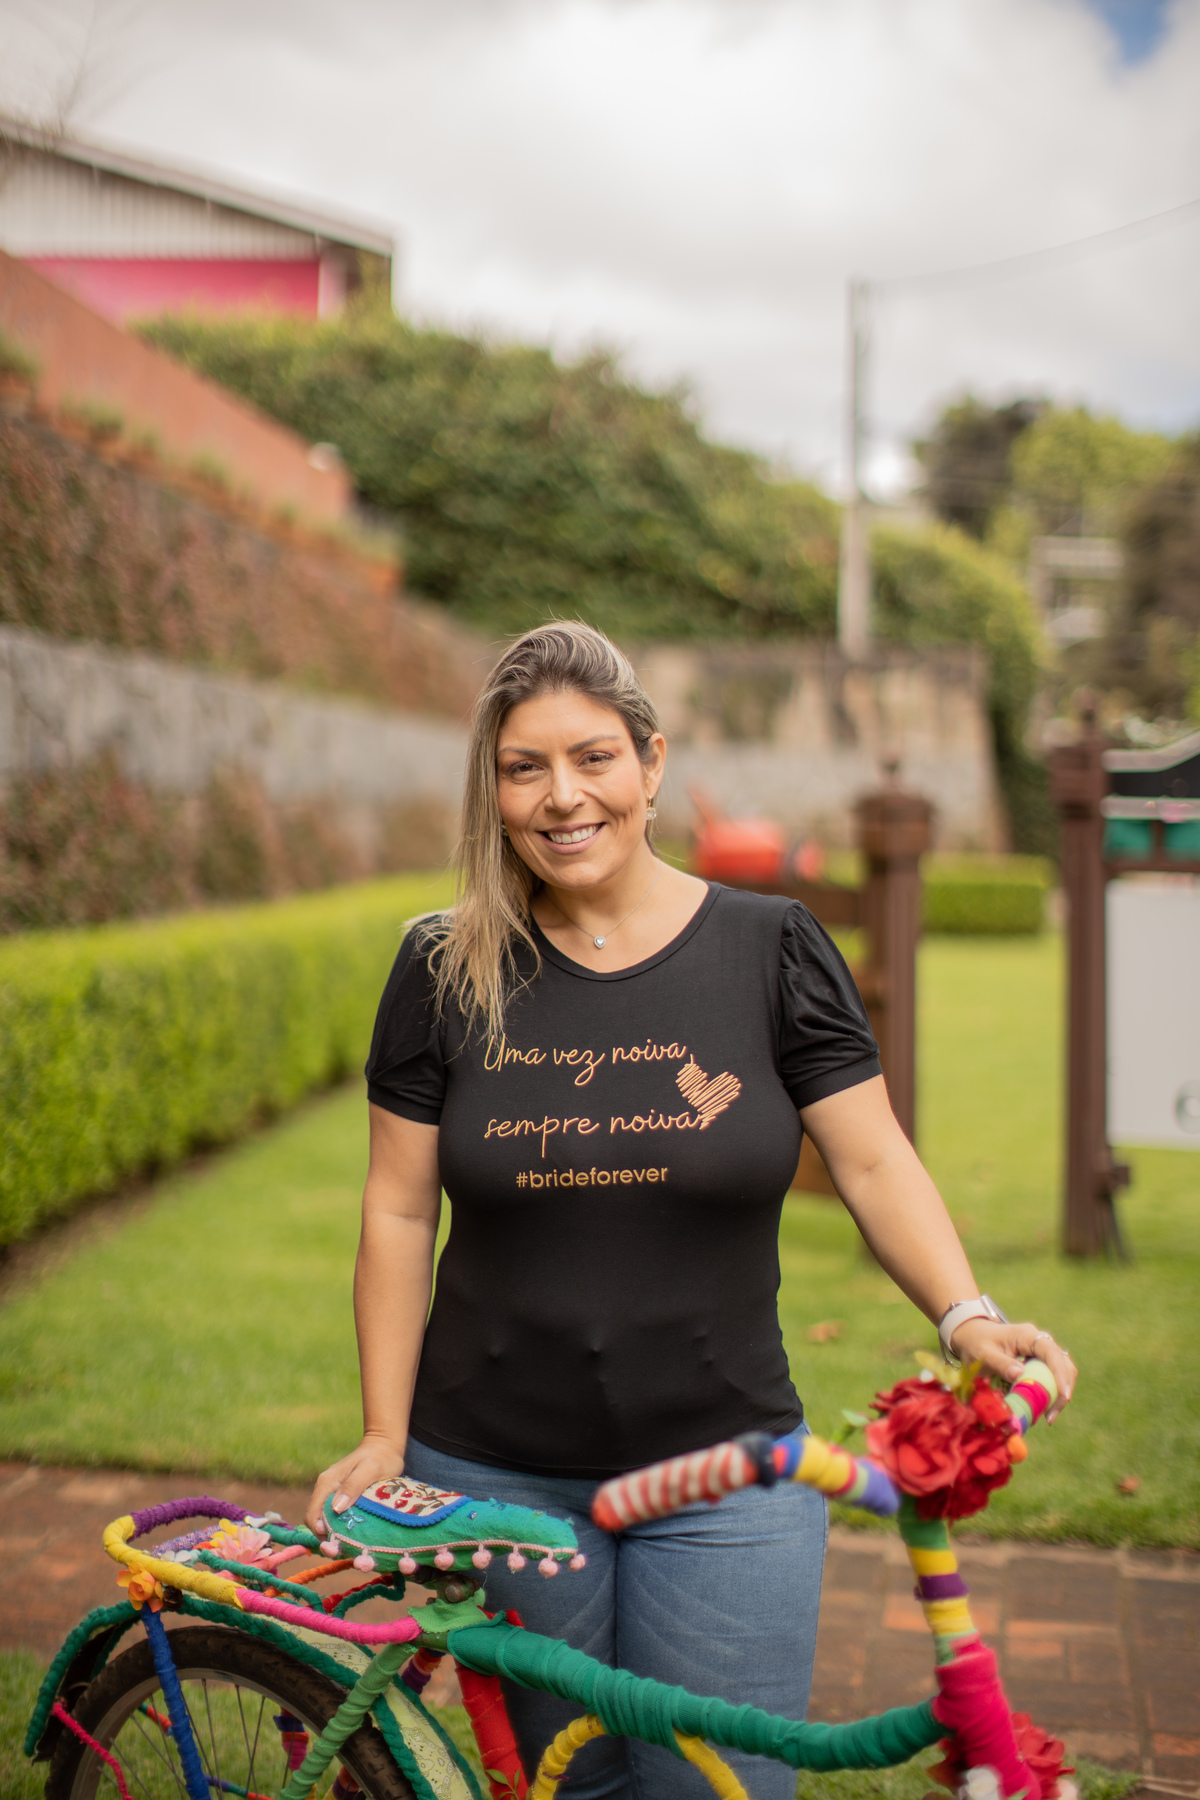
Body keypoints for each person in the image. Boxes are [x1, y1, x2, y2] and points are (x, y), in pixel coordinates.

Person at [307, 621, 1077, 1799]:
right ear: (495, 789)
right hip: (501, 1482)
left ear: (652, 766)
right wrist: (380, 1432)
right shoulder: (443, 966)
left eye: (594, 758)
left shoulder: (771, 951)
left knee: (722, 1789)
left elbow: (873, 1162)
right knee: (579, 1787)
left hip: (730, 1481)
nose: (562, 796)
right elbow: (400, 1211)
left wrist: (967, 1315)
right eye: (525, 768)